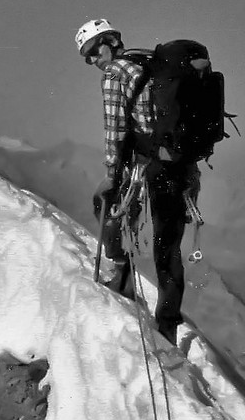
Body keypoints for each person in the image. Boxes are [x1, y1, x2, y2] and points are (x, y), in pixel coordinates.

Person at [75, 18, 199, 344]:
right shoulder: (145, 59)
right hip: (181, 165)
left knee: (107, 205)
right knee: (167, 246)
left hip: (151, 166)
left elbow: (115, 131)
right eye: (85, 56)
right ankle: (168, 323)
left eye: (92, 50)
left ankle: (122, 275)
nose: (91, 60)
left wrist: (112, 174)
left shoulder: (115, 74)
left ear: (109, 42)